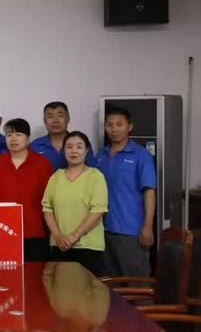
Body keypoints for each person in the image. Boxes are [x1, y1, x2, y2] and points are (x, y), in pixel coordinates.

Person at [96, 108, 156, 279]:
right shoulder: (100, 155)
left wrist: (147, 227)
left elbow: (149, 191)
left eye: (119, 124)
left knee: (136, 284)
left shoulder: (141, 155)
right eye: (109, 125)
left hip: (131, 231)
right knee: (109, 285)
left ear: (129, 127)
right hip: (102, 230)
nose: (114, 129)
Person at [42, 131, 108, 276]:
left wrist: (74, 235)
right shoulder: (56, 177)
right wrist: (57, 235)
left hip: (88, 246)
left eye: (79, 147)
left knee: (85, 288)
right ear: (64, 150)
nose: (74, 151)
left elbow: (98, 209)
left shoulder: (95, 176)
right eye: (69, 146)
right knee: (60, 287)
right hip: (59, 245)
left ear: (86, 151)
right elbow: (47, 208)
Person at [0, 118, 54, 262]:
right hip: (3, 231)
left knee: (34, 272)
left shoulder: (42, 164)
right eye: (9, 135)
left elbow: (50, 200)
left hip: (35, 231)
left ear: (28, 138)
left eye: (18, 135)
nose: (13, 139)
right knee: (6, 272)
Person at [30, 102, 96, 171]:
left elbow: (92, 170)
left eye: (60, 116)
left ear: (68, 119)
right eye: (50, 117)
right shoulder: (34, 146)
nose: (55, 120)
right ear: (44, 121)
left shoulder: (81, 143)